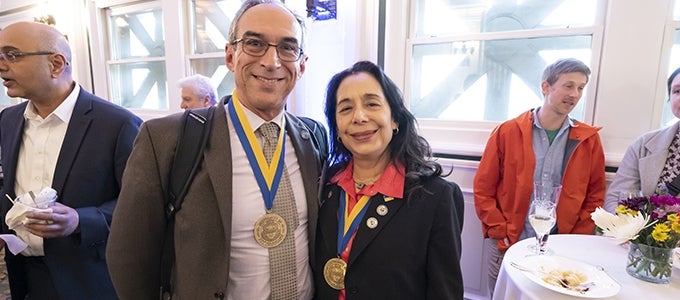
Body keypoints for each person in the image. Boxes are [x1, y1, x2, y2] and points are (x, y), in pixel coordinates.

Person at [106, 1, 327, 299]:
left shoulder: (313, 137)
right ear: (230, 55)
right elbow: (129, 255)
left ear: (301, 65)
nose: (272, 61)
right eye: (254, 43)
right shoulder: (166, 139)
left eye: (288, 47)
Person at [0, 21, 142, 300]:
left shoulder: (118, 124)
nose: (2, 65)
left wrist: (80, 220)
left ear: (56, 64)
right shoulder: (8, 120)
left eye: (12, 55)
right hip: (24, 276)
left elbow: (141, 207)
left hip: (89, 279)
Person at [314, 60, 464, 299]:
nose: (359, 117)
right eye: (345, 109)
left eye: (372, 104)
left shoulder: (436, 198)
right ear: (337, 127)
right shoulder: (325, 185)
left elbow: (444, 292)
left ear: (395, 119)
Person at [473, 58, 606, 296]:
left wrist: (576, 240)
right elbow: (484, 187)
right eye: (568, 85)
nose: (575, 94)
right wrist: (499, 231)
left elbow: (595, 195)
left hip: (561, 247)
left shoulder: (588, 140)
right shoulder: (507, 131)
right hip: (509, 240)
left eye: (581, 87)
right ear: (546, 87)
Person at [605, 67, 680, 211]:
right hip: (641, 232)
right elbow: (616, 199)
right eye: (677, 91)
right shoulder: (643, 145)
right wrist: (623, 229)